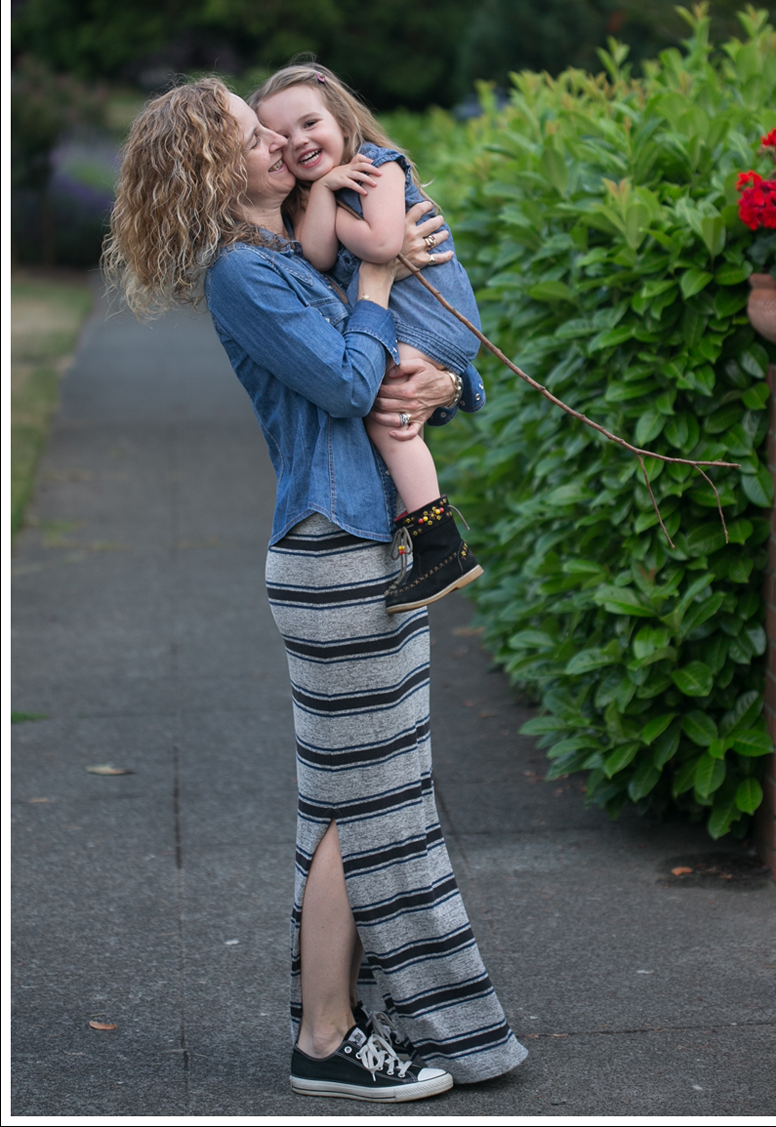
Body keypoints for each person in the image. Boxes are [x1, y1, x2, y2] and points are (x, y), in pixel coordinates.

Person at [103, 77, 527, 1103]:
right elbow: (345, 382)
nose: (276, 144)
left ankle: (347, 1028)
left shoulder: (300, 248)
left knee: (362, 800)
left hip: (363, 545)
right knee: (370, 804)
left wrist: (450, 378)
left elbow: (408, 360)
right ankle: (330, 1039)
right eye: (254, 135)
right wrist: (378, 281)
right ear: (219, 166)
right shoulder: (246, 275)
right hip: (334, 551)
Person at [250, 64, 483, 613]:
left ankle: (441, 544)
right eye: (284, 137)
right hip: (404, 318)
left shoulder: (379, 168)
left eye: (311, 123)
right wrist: (324, 195)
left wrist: (331, 203)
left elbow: (381, 244)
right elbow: (317, 257)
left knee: (387, 416)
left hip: (430, 318)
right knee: (390, 413)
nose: (300, 141)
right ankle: (431, 540)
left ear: (341, 117)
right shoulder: (316, 194)